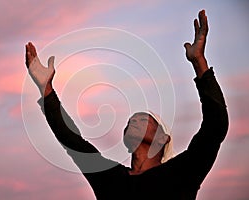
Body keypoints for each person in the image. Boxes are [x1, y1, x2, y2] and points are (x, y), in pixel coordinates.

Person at [24, 10, 228, 200]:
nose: (135, 120)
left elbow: (215, 126)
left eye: (145, 120)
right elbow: (71, 140)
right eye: (132, 119)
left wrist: (199, 61)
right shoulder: (110, 178)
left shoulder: (182, 173)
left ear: (163, 139)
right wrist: (46, 89)